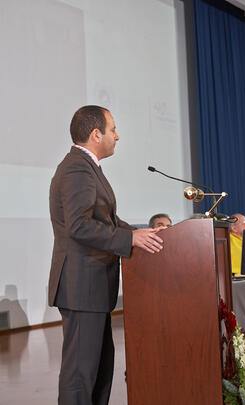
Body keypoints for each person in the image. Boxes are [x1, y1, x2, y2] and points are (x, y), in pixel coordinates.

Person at [48, 105, 163, 405]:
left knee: (99, 372)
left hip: (91, 288)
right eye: (113, 130)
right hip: (81, 286)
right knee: (80, 377)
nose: (117, 136)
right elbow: (79, 226)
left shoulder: (87, 167)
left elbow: (105, 221)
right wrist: (129, 238)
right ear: (96, 134)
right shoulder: (76, 167)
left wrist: (142, 234)